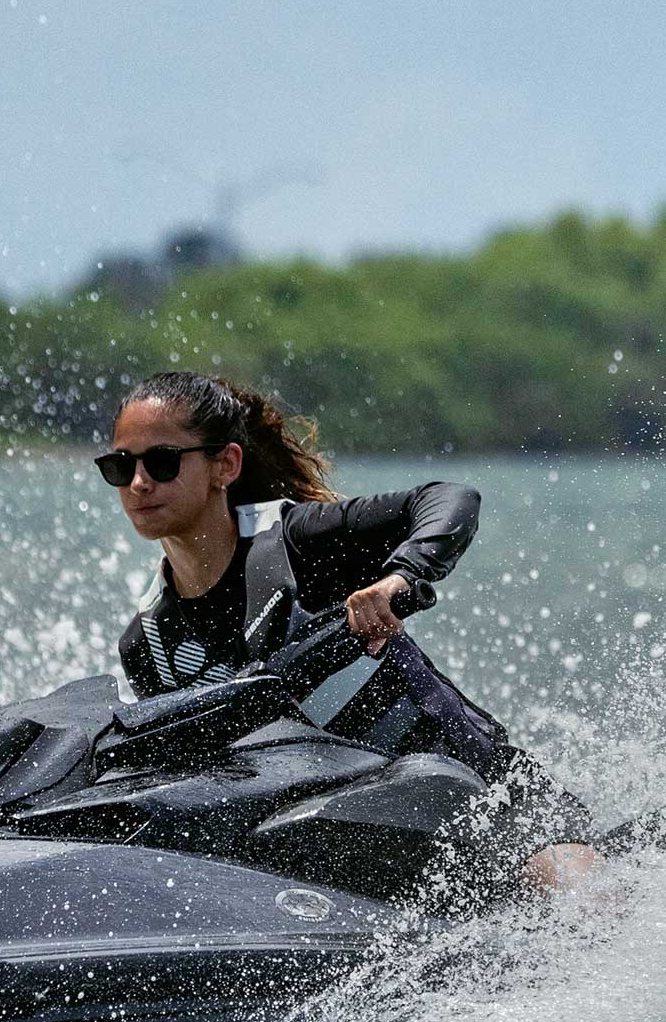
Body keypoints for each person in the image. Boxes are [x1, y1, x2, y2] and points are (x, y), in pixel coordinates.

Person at [99, 370, 601, 892]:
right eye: (120, 466)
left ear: (225, 465)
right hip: (356, 847)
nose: (139, 483)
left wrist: (399, 580)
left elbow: (450, 498)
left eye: (161, 462)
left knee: (564, 890)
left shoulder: (298, 545)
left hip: (491, 804)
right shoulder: (149, 645)